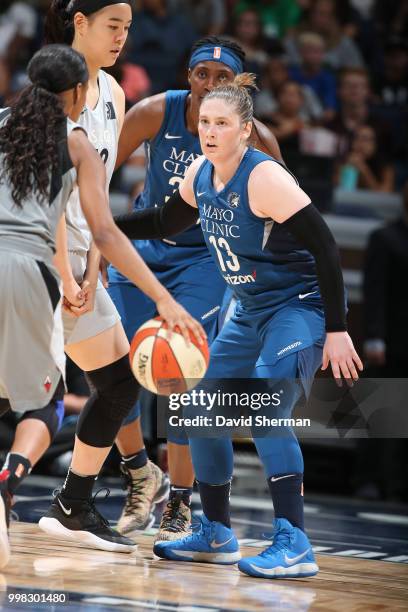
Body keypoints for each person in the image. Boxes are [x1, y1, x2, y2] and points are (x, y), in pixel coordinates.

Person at [113, 72, 363, 578]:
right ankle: (217, 532)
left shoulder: (265, 176)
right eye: (205, 122)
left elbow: (325, 247)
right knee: (198, 405)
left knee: (266, 406)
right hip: (249, 310)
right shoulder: (202, 173)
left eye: (222, 123)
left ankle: (293, 541)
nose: (209, 131)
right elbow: (163, 223)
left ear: (245, 130)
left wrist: (336, 328)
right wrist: (103, 227)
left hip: (298, 308)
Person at [0, 43, 203, 568]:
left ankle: (73, 502)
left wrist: (79, 272)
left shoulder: (2, 123)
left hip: (36, 267)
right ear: (75, 93)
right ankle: (24, 484)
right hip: (32, 277)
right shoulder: (77, 143)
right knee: (53, 398)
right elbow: (107, 233)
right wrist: (163, 299)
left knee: (69, 383)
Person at [109, 36, 282, 542]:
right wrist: (94, 247)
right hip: (140, 250)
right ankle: (141, 474)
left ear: (238, 89)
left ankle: (180, 504)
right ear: (188, 75)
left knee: (180, 377)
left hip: (205, 262)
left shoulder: (256, 139)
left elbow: (288, 212)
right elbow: (95, 176)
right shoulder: (151, 113)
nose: (209, 84)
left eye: (221, 78)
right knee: (112, 366)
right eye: (201, 73)